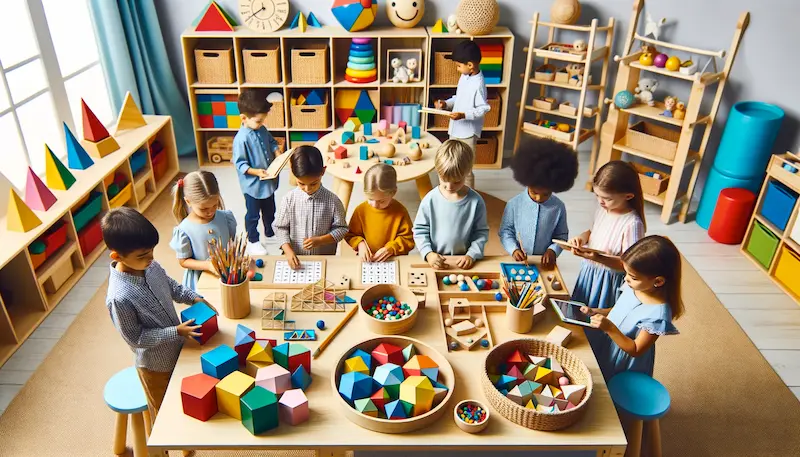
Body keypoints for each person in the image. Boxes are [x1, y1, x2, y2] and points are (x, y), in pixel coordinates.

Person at [102, 207, 217, 426]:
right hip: (156, 366)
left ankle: (186, 447)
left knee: (187, 402)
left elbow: (171, 286)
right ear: (117, 256)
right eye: (143, 256)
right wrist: (176, 331)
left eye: (152, 252)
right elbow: (135, 338)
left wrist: (194, 298)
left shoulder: (151, 265)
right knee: (164, 415)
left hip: (179, 350)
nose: (151, 258)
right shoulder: (119, 297)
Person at [581, 235, 683, 380]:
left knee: (610, 387)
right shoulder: (636, 287)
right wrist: (597, 312)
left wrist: (609, 328)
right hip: (610, 340)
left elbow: (636, 349)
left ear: (658, 281)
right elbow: (619, 310)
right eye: (626, 273)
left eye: (633, 277)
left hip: (623, 358)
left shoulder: (658, 315)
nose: (626, 279)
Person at [568, 161, 646, 309]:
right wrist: (582, 238)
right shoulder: (603, 210)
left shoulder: (632, 224)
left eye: (607, 198)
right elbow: (593, 231)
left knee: (596, 319)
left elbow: (630, 265)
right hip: (589, 273)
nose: (600, 201)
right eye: (597, 195)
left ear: (628, 196)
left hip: (606, 283)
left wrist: (598, 258)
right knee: (578, 311)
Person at [499, 137, 579, 269]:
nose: (538, 198)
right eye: (534, 192)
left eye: (546, 194)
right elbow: (505, 231)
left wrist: (553, 250)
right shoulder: (514, 204)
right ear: (526, 182)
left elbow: (561, 235)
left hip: (544, 262)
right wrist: (513, 249)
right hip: (517, 260)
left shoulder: (558, 207)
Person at [413, 139, 489, 270]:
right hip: (436, 260)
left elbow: (481, 233)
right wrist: (428, 254)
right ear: (437, 171)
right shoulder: (430, 199)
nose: (449, 186)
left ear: (468, 172)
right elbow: (419, 231)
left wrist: (472, 254)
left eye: (456, 181)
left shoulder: (476, 202)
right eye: (444, 180)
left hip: (463, 261)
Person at [274, 145, 347, 269]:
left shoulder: (333, 201)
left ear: (323, 172)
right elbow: (280, 228)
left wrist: (320, 240)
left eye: (313, 183)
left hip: (323, 259)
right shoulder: (288, 200)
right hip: (296, 258)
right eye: (301, 183)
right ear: (294, 175)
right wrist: (288, 251)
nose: (307, 189)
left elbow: (342, 229)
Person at [233, 88, 284, 256]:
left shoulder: (261, 129)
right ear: (244, 118)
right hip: (253, 186)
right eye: (258, 121)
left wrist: (277, 152)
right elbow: (240, 164)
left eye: (263, 120)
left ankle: (270, 231)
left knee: (270, 210)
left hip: (268, 182)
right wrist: (256, 172)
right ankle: (253, 240)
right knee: (253, 215)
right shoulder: (241, 139)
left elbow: (271, 141)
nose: (261, 123)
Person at [433, 40, 490, 188]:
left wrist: (464, 115)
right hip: (456, 129)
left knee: (466, 168)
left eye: (459, 66)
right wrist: (446, 104)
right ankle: (452, 189)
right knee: (452, 163)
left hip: (469, 133)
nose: (457, 69)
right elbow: (459, 97)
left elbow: (483, 108)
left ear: (470, 65)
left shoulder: (478, 84)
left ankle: (470, 195)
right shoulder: (465, 77)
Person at [169, 170, 236, 290]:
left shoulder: (226, 217)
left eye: (214, 205)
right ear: (188, 201)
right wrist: (208, 265)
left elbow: (232, 243)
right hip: (200, 280)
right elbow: (183, 261)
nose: (210, 212)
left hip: (228, 275)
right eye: (204, 208)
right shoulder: (184, 230)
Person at [345, 163, 414, 262]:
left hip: (392, 259)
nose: (375, 205)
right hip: (368, 261)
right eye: (370, 199)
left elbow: (408, 239)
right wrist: (360, 244)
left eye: (381, 201)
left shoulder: (400, 211)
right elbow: (350, 235)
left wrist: (391, 248)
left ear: (393, 192)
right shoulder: (361, 210)